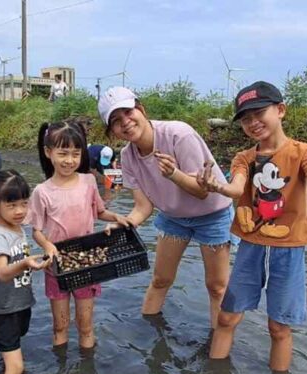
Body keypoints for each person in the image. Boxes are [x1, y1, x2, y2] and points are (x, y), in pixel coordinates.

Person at [201, 81, 307, 371]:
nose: (252, 123)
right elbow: (237, 188)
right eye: (245, 119)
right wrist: (218, 187)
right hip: (251, 243)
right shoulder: (244, 158)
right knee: (226, 317)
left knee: (279, 327)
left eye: (259, 113)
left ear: (280, 110)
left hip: (288, 248)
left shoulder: (304, 153)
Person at [98, 86, 235, 328]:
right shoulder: (128, 156)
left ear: (141, 109)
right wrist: (123, 223)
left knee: (216, 287)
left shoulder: (178, 134)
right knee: (160, 279)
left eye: (128, 113)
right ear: (113, 132)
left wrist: (173, 174)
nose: (126, 123)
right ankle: (146, 334)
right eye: (116, 121)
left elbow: (203, 191)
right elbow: (142, 207)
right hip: (173, 217)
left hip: (213, 214)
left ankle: (219, 341)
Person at [27, 120, 130, 349]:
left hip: (86, 262)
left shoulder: (89, 181)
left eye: (76, 153)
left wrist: (117, 218)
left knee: (85, 325)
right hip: (57, 264)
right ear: (48, 152)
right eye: (63, 153)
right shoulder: (42, 191)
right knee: (60, 325)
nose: (69, 160)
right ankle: (62, 371)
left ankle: (87, 369)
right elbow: (36, 231)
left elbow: (99, 211)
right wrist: (47, 246)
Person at [0, 170, 50, 374]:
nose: (20, 211)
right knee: (16, 367)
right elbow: (2, 272)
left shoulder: (15, 227)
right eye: (12, 205)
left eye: (24, 204)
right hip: (3, 307)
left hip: (17, 300)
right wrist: (26, 263)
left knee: (12, 350)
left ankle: (6, 368)